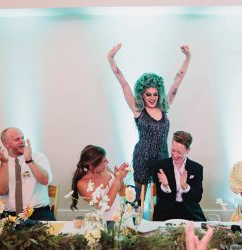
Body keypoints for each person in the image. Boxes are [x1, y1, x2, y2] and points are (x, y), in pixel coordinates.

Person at [108, 43, 191, 188]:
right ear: (142, 95)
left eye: (155, 94)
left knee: (163, 196)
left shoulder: (164, 108)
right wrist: (111, 58)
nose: (152, 98)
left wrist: (188, 57)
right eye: (148, 94)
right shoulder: (138, 110)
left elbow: (177, 81)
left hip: (162, 158)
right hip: (142, 158)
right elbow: (125, 84)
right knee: (139, 198)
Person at [0, 127, 55, 221]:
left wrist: (29, 160)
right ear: (6, 144)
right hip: (9, 215)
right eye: (17, 139)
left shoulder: (38, 157)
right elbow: (1, 191)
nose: (22, 141)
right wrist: (4, 163)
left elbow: (45, 181)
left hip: (39, 212)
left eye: (22, 138)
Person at [152, 131, 206, 221]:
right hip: (166, 211)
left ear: (188, 151)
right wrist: (165, 185)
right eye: (173, 150)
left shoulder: (197, 168)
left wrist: (185, 187)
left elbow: (197, 198)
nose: (175, 155)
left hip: (189, 211)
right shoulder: (160, 166)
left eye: (179, 152)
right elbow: (160, 197)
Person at [70, 145, 129, 222]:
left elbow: (120, 189)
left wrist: (119, 178)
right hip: (102, 223)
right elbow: (104, 207)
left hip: (120, 215)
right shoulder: (82, 184)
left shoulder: (105, 169)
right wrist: (116, 179)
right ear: (91, 166)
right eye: (104, 161)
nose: (107, 162)